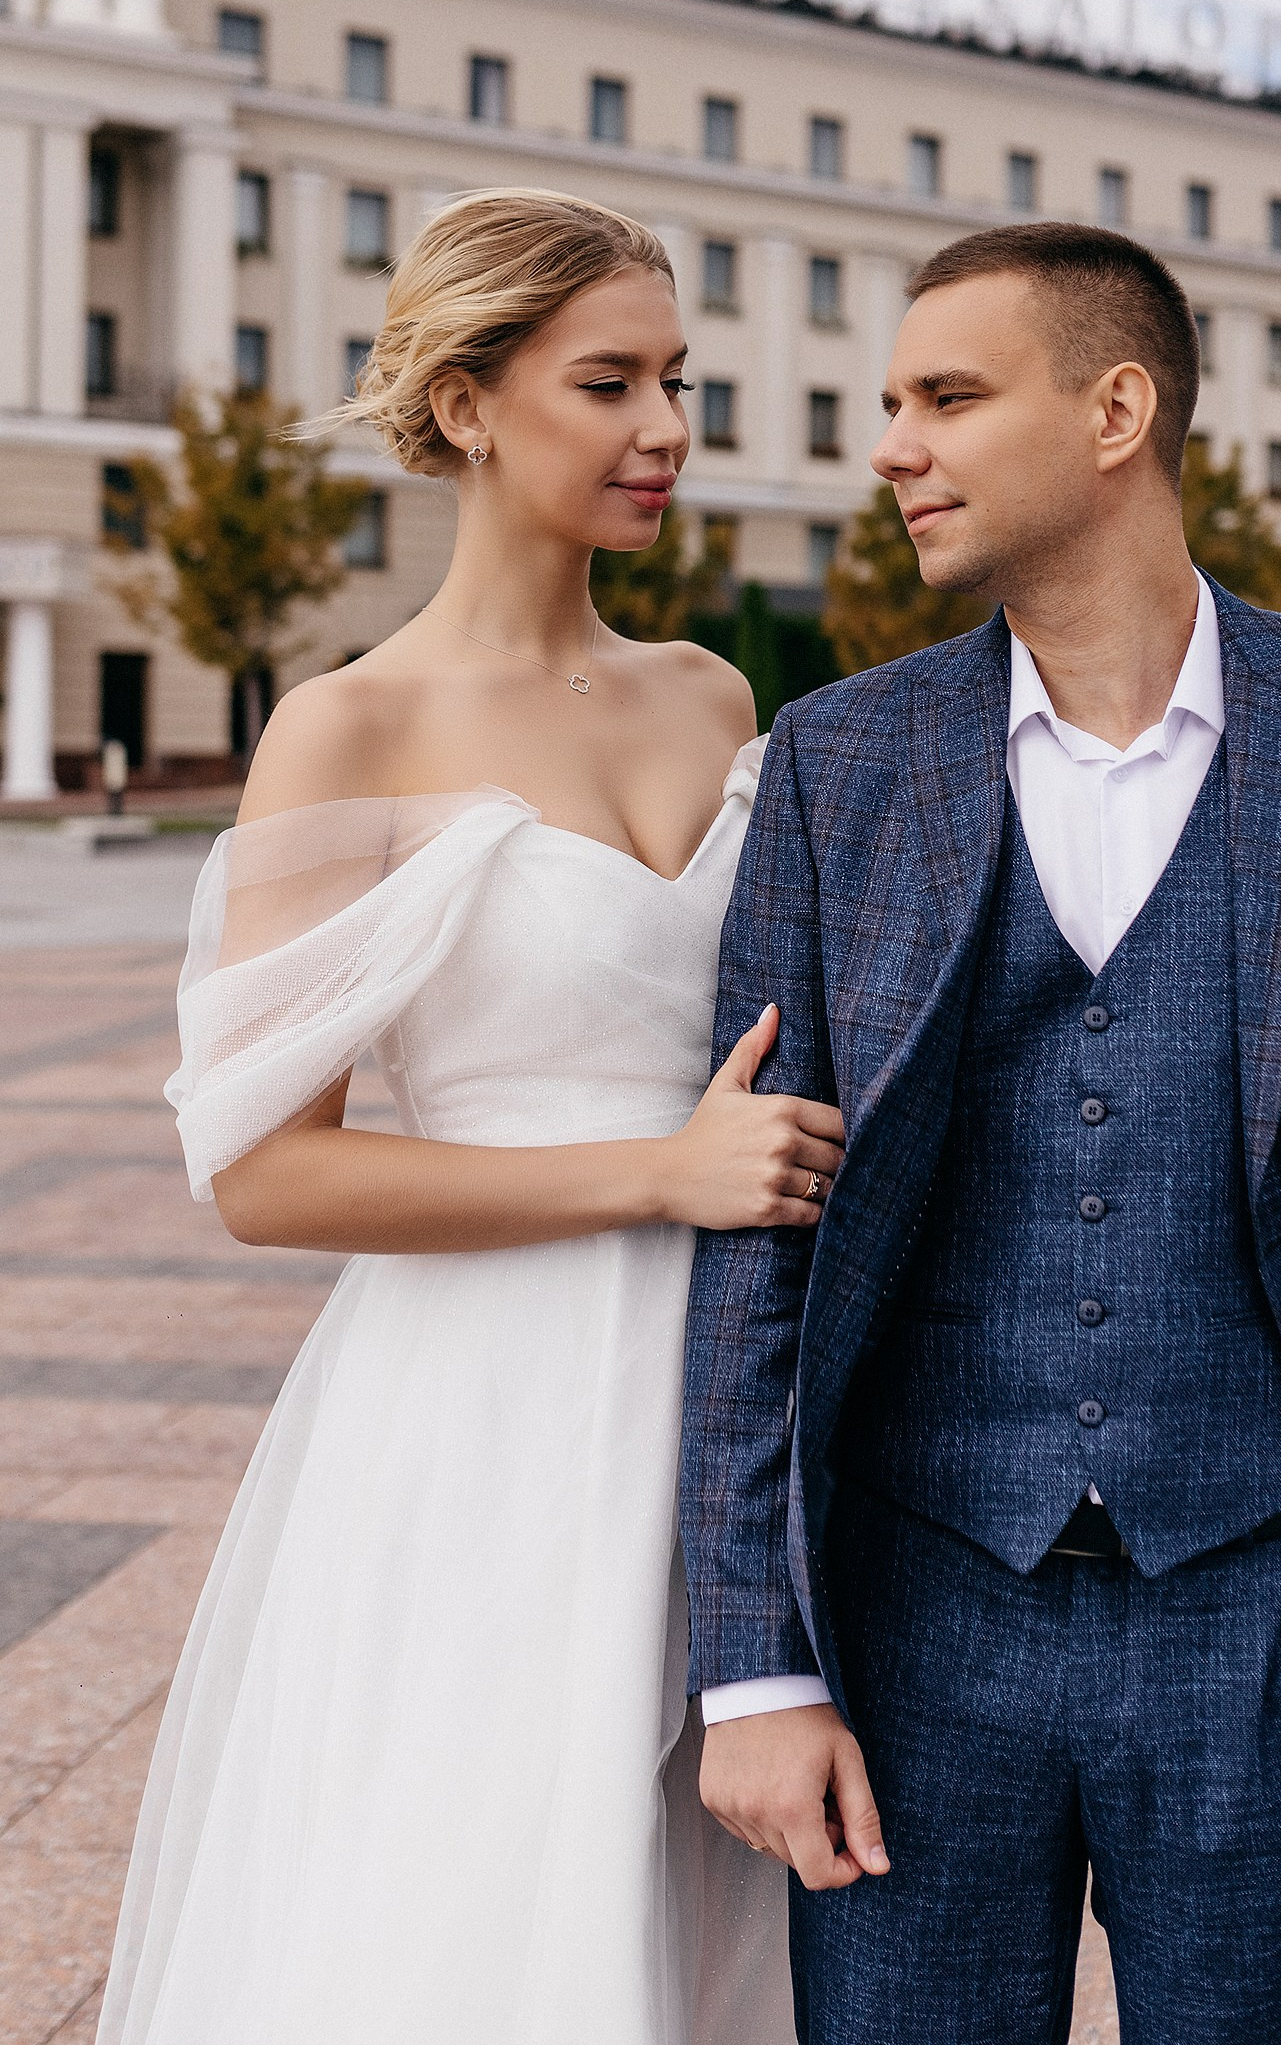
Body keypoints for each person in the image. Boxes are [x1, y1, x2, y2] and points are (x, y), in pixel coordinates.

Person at [682, 221, 1281, 2045]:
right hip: (913, 1628)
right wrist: (753, 1665)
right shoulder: (837, 761)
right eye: (892, 404)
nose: (892, 448)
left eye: (947, 398)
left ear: (1117, 412)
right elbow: (757, 1219)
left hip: (1278, 1622)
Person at [98, 191, 814, 2045]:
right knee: (488, 1898)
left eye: (678, 380)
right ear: (468, 402)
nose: (665, 428)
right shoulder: (349, 728)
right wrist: (661, 1172)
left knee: (711, 1903)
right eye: (610, 382)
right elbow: (266, 1173)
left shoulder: (714, 696)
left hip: (735, 1387)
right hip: (490, 1406)